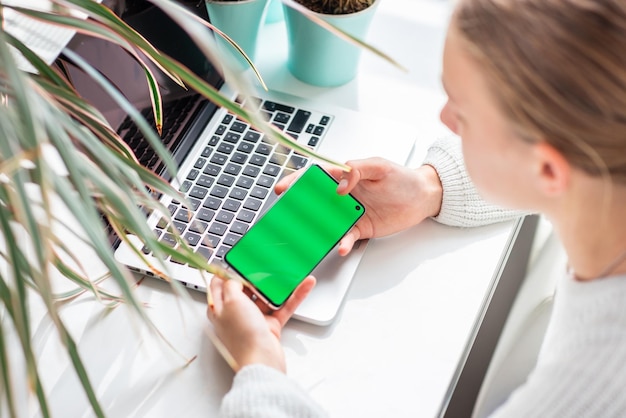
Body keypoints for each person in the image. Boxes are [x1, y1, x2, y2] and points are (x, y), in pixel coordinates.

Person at [207, 0, 626, 416]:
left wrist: (259, 371)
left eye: (462, 112)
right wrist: (430, 186)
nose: (444, 119)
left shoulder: (594, 390)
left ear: (548, 170)